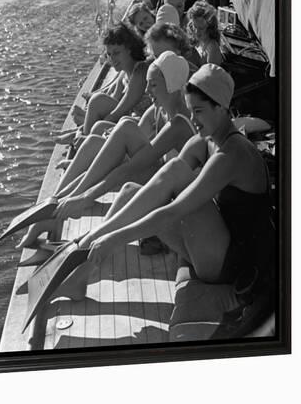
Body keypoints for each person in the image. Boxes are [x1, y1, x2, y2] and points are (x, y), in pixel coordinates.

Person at [56, 64, 274, 300]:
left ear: (220, 108)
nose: (192, 119)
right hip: (209, 246)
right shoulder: (205, 141)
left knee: (176, 171)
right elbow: (160, 184)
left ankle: (94, 240)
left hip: (230, 262)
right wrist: (101, 233)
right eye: (190, 110)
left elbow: (174, 210)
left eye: (198, 111)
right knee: (131, 192)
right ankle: (81, 274)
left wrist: (112, 239)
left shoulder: (232, 154)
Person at [18, 52, 195, 249]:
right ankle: (57, 203)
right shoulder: (159, 110)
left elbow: (134, 165)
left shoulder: (180, 124)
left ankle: (67, 206)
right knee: (106, 136)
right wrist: (86, 178)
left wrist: (87, 196)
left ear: (171, 85)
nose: (146, 91)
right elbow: (120, 148)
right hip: (160, 183)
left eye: (153, 85)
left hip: (173, 200)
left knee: (125, 128)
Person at [186, 0, 223, 65]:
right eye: (195, 26)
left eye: (201, 28)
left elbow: (211, 74)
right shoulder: (194, 41)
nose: (197, 32)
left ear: (210, 27)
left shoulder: (212, 48)